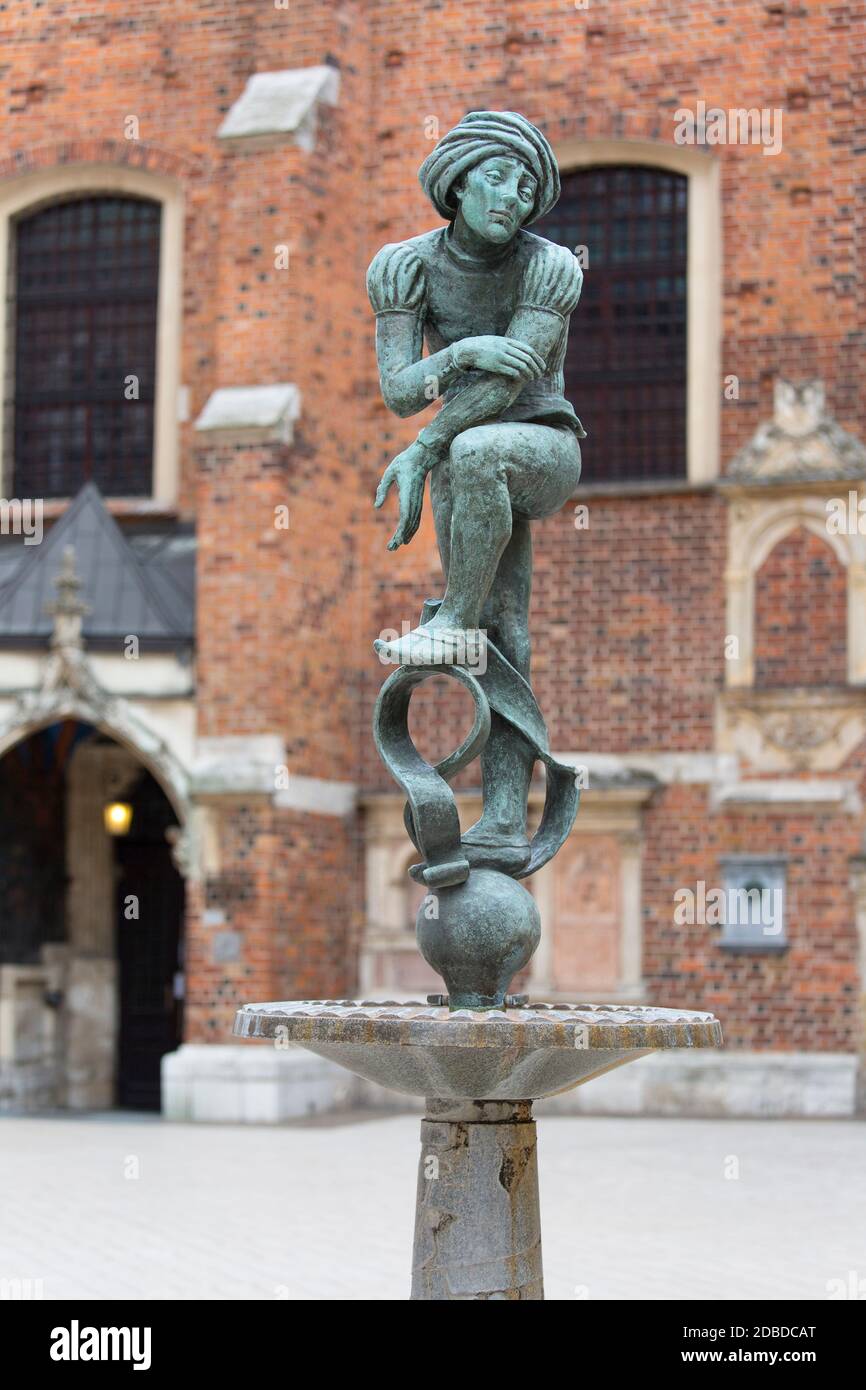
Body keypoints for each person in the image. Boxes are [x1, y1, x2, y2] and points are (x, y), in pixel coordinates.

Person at [368, 110, 584, 874]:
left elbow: (512, 379)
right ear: (456, 182)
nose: (513, 198)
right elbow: (398, 390)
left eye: (527, 188)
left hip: (543, 448)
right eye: (497, 178)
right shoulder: (404, 267)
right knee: (507, 619)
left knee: (475, 450)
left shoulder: (550, 266)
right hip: (468, 457)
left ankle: (451, 623)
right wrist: (457, 347)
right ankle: (499, 817)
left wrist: (426, 448)